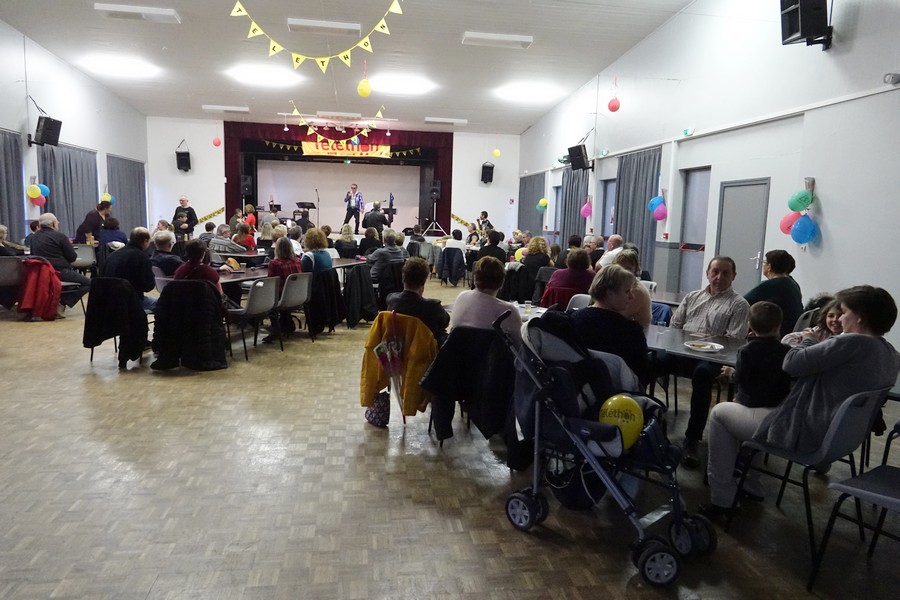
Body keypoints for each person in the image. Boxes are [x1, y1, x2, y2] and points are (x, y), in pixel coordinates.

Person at [699, 287, 900, 517]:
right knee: (759, 410)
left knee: (720, 413)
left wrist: (809, 340)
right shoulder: (888, 353)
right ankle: (749, 483)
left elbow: (791, 363)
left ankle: (722, 499)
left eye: (844, 312)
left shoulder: (850, 343)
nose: (841, 318)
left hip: (806, 433)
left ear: (860, 317)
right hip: (842, 439)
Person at [668, 256, 751, 468]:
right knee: (652, 360)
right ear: (707, 273)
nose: (719, 277)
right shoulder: (692, 297)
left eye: (725, 273)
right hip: (682, 352)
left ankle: (692, 439)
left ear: (733, 276)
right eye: (715, 272)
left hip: (713, 358)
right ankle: (646, 419)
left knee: (703, 374)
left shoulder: (739, 305)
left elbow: (734, 340)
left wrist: (704, 342)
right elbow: (675, 326)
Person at [570, 264, 649, 384]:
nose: (631, 296)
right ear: (610, 293)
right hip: (619, 392)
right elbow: (641, 376)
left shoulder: (573, 320)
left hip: (578, 388)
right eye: (627, 291)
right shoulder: (631, 332)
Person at [450, 256, 521, 345]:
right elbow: (519, 345)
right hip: (491, 353)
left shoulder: (461, 297)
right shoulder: (508, 311)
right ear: (502, 282)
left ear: (475, 279)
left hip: (457, 351)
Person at [29, 212, 89, 315]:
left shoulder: (34, 238)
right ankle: (61, 303)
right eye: (57, 222)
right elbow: (72, 257)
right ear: (53, 224)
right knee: (89, 283)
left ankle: (56, 302)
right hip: (60, 272)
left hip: (41, 274)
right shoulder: (60, 236)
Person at [386, 257, 450, 345]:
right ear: (424, 281)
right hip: (426, 349)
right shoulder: (433, 306)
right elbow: (445, 322)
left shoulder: (391, 300)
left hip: (400, 347)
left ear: (403, 278)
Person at [744, 249, 803, 338]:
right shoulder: (792, 283)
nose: (763, 265)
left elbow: (743, 303)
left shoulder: (772, 285)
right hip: (791, 330)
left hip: (778, 332)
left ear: (769, 267)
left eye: (764, 262)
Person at [103, 227, 157, 312]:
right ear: (146, 241)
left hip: (108, 300)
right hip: (131, 300)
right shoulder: (141, 257)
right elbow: (148, 286)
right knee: (164, 303)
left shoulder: (113, 255)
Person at [263, 237, 304, 343]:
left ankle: (275, 328)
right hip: (298, 296)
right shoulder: (298, 261)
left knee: (264, 294)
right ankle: (286, 324)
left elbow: (270, 282)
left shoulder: (275, 263)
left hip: (281, 297)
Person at [613, 249, 652, 334]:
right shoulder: (618, 285)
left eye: (628, 269)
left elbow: (616, 316)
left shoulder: (636, 291)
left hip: (635, 335)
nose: (624, 272)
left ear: (636, 270)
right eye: (620, 268)